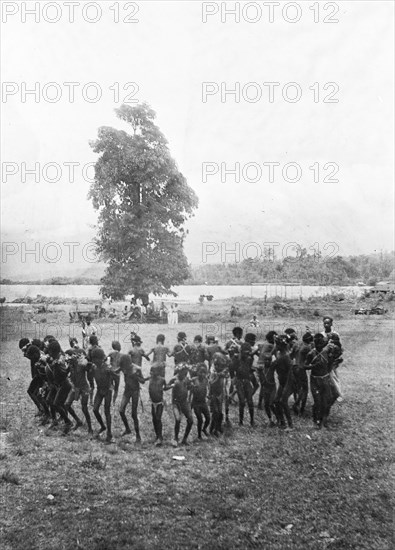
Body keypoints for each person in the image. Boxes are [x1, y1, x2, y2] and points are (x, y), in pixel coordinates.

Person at [88, 336, 119, 443]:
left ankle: (109, 434)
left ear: (99, 358)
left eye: (94, 359)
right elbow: (91, 377)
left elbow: (117, 377)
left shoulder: (107, 368)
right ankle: (103, 426)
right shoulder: (94, 367)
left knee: (107, 412)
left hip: (108, 390)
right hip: (100, 390)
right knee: (95, 409)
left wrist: (116, 392)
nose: (93, 361)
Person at [304, 333, 337, 429]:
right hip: (315, 380)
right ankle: (316, 421)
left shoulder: (326, 352)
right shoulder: (311, 353)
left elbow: (330, 364)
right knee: (317, 402)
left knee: (327, 401)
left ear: (323, 343)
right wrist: (313, 366)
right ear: (314, 343)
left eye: (321, 343)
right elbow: (305, 366)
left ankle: (324, 421)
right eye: (317, 343)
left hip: (325, 378)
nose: (319, 345)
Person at [117, 353, 145, 442]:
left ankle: (138, 436)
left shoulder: (137, 369)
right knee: (121, 410)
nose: (124, 369)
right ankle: (128, 429)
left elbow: (143, 381)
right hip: (127, 391)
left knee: (134, 414)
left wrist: (136, 377)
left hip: (135, 391)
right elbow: (115, 371)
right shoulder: (123, 367)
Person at [148, 363, 172, 446]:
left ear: (157, 372)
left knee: (158, 418)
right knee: (154, 419)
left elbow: (165, 388)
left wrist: (171, 386)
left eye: (152, 371)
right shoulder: (150, 379)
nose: (150, 373)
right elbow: (143, 380)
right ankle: (157, 435)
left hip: (159, 403)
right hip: (153, 402)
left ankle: (160, 437)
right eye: (150, 371)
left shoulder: (162, 380)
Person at [256, 331, 277, 424]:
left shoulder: (264, 344)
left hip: (259, 364)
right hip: (265, 365)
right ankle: (261, 403)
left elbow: (259, 351)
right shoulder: (271, 346)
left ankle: (260, 403)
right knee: (265, 384)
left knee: (263, 385)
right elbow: (274, 353)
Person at [171, 366, 193, 447]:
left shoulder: (186, 379)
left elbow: (190, 387)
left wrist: (191, 385)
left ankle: (184, 439)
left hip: (184, 402)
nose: (184, 374)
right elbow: (165, 387)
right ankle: (176, 438)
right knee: (177, 419)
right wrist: (171, 386)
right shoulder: (174, 379)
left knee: (190, 420)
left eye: (186, 373)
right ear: (179, 372)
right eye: (183, 372)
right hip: (176, 403)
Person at [235, 341, 255, 427]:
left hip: (246, 381)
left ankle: (252, 421)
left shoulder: (249, 359)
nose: (247, 354)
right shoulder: (237, 358)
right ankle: (241, 421)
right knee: (242, 402)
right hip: (239, 381)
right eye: (245, 352)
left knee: (250, 402)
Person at [190, 364, 210, 439]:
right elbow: (189, 389)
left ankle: (204, 429)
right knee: (200, 419)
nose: (202, 374)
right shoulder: (194, 379)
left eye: (204, 372)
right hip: (196, 403)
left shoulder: (206, 380)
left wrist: (208, 396)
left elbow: (207, 388)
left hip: (203, 402)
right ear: (197, 372)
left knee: (208, 418)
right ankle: (199, 435)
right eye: (200, 372)